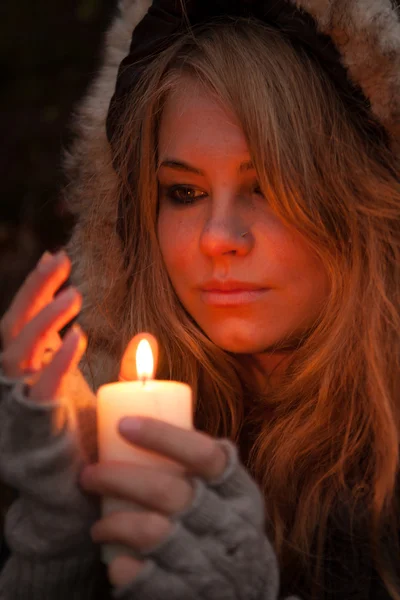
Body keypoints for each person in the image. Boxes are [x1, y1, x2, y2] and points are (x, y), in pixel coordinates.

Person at [0, 0, 399, 598]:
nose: (218, 237)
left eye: (266, 185)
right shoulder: (135, 413)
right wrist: (63, 537)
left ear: (356, 201)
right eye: (183, 191)